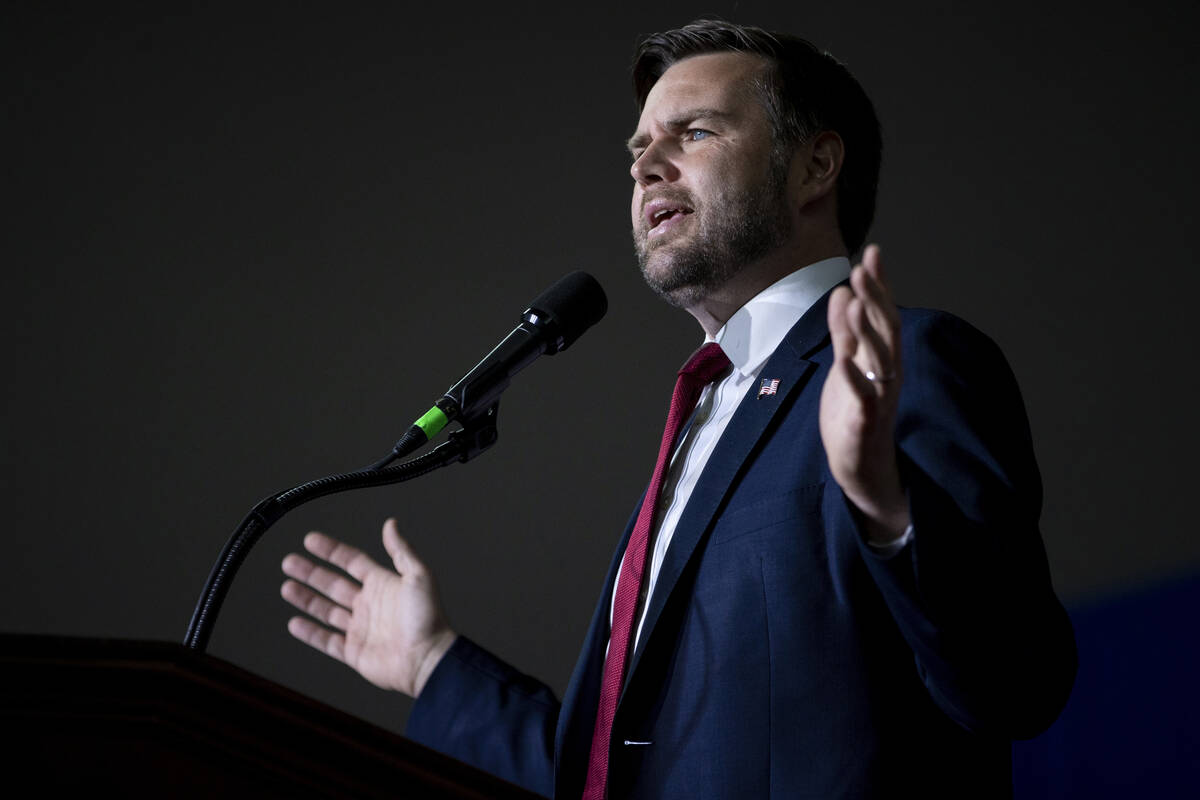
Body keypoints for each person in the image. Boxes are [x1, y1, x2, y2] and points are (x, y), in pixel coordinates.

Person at [280, 19, 1077, 799]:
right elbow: (605, 777)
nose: (646, 167)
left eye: (692, 133)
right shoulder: (701, 421)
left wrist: (890, 508)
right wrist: (430, 664)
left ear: (815, 165)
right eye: (637, 150)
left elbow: (1014, 686)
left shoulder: (909, 364)